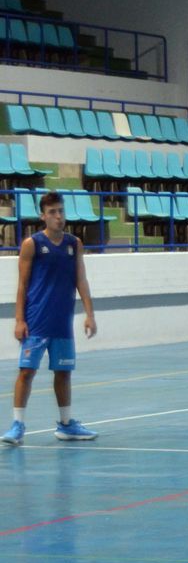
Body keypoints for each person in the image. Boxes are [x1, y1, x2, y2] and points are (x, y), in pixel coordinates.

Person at [4, 191, 98, 445]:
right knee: (26, 371)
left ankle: (66, 425)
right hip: (36, 322)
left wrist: (90, 314)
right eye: (53, 212)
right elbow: (22, 285)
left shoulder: (73, 244)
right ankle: (17, 425)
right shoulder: (31, 244)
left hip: (62, 323)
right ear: (43, 216)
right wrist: (19, 320)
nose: (58, 216)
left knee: (63, 373)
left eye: (61, 211)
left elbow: (81, 280)